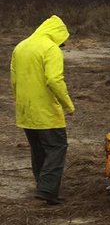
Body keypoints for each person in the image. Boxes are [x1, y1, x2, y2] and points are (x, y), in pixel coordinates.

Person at [10, 15, 76, 205]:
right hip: (46, 113)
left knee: (38, 150)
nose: (62, 45)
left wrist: (20, 102)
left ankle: (42, 187)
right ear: (58, 35)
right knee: (56, 148)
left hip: (25, 112)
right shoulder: (50, 49)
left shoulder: (20, 46)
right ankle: (47, 191)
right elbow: (54, 80)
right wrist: (68, 105)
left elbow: (14, 81)